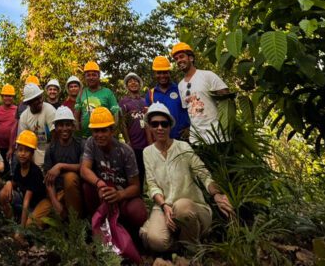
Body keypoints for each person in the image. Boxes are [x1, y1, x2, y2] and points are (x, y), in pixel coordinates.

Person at [140, 103, 235, 251]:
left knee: (182, 207)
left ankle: (190, 247)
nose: (160, 128)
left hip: (191, 207)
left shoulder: (183, 147)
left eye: (164, 124)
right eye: (155, 124)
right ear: (150, 127)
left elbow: (202, 172)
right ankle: (179, 238)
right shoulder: (147, 152)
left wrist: (216, 194)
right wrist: (164, 206)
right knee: (156, 241)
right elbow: (152, 185)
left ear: (169, 126)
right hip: (165, 206)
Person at [80, 107, 147, 236]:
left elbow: (136, 187)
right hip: (103, 192)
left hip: (122, 193)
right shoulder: (91, 143)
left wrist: (120, 195)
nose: (99, 135)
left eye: (104, 130)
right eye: (96, 131)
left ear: (112, 131)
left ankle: (131, 234)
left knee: (138, 212)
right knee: (87, 187)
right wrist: (99, 183)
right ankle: (97, 228)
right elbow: (84, 169)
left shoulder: (125, 151)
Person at [31, 106, 83, 224]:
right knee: (31, 223)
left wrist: (60, 166)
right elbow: (48, 179)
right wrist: (55, 203)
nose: (64, 128)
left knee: (70, 177)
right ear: (56, 127)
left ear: (73, 126)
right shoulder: (51, 148)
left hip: (76, 193)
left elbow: (84, 167)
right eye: (60, 125)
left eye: (68, 125)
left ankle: (75, 226)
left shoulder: (80, 144)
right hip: (57, 193)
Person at [172, 43, 232, 145]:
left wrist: (221, 93)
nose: (179, 61)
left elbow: (227, 97)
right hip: (197, 140)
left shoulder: (207, 75)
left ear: (190, 58)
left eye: (181, 56)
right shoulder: (181, 85)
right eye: (176, 59)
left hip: (218, 136)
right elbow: (188, 110)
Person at [0, 130, 46, 227]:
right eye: (20, 150)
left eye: (26, 150)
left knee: (29, 226)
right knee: (3, 193)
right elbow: (14, 182)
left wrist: (21, 230)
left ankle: (21, 228)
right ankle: (11, 224)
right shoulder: (19, 167)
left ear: (32, 153)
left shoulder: (35, 172)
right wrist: (9, 183)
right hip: (23, 201)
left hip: (35, 205)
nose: (22, 153)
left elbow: (26, 201)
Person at [146, 55, 190, 143]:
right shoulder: (151, 94)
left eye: (165, 72)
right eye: (159, 73)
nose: (162, 75)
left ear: (169, 73)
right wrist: (151, 143)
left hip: (183, 139)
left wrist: (190, 128)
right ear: (155, 74)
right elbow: (148, 121)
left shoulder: (180, 89)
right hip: (161, 140)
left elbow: (192, 109)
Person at [74, 61, 119, 138]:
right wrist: (78, 134)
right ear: (85, 77)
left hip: (104, 137)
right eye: (88, 75)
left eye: (94, 75)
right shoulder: (81, 93)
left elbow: (116, 114)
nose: (91, 77)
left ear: (99, 76)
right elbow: (76, 116)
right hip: (85, 138)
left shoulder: (107, 92)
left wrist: (112, 133)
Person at [16, 83, 56, 168]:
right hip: (33, 152)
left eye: (40, 97)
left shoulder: (49, 110)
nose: (40, 101)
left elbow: (55, 137)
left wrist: (49, 160)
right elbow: (23, 143)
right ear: (28, 103)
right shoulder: (24, 117)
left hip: (50, 150)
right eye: (36, 99)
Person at [120, 72, 148, 186]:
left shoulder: (145, 100)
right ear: (127, 85)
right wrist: (127, 141)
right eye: (130, 81)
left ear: (139, 84)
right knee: (136, 171)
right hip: (134, 143)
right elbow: (122, 123)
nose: (133, 83)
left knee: (147, 170)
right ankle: (137, 195)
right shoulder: (123, 102)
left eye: (135, 80)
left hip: (147, 142)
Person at [0, 84, 18, 176]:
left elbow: (17, 129)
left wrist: (12, 147)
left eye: (10, 96)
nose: (8, 98)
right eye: (6, 96)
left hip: (11, 148)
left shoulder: (16, 110)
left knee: (9, 171)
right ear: (2, 97)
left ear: (13, 97)